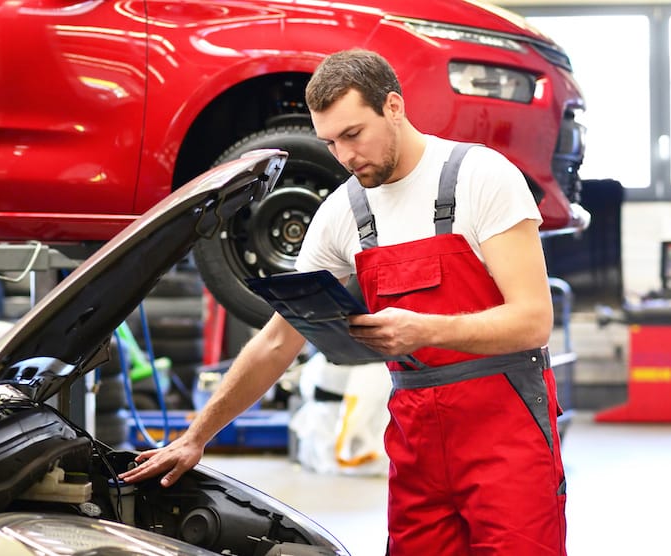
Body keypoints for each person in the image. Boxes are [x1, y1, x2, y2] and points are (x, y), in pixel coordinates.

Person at [118, 48, 566, 555]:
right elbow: (276, 341)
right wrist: (195, 437)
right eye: (330, 142)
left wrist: (424, 330)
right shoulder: (342, 213)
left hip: (506, 434)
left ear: (393, 107)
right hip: (417, 442)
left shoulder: (479, 177)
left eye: (354, 134)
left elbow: (532, 321)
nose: (346, 156)